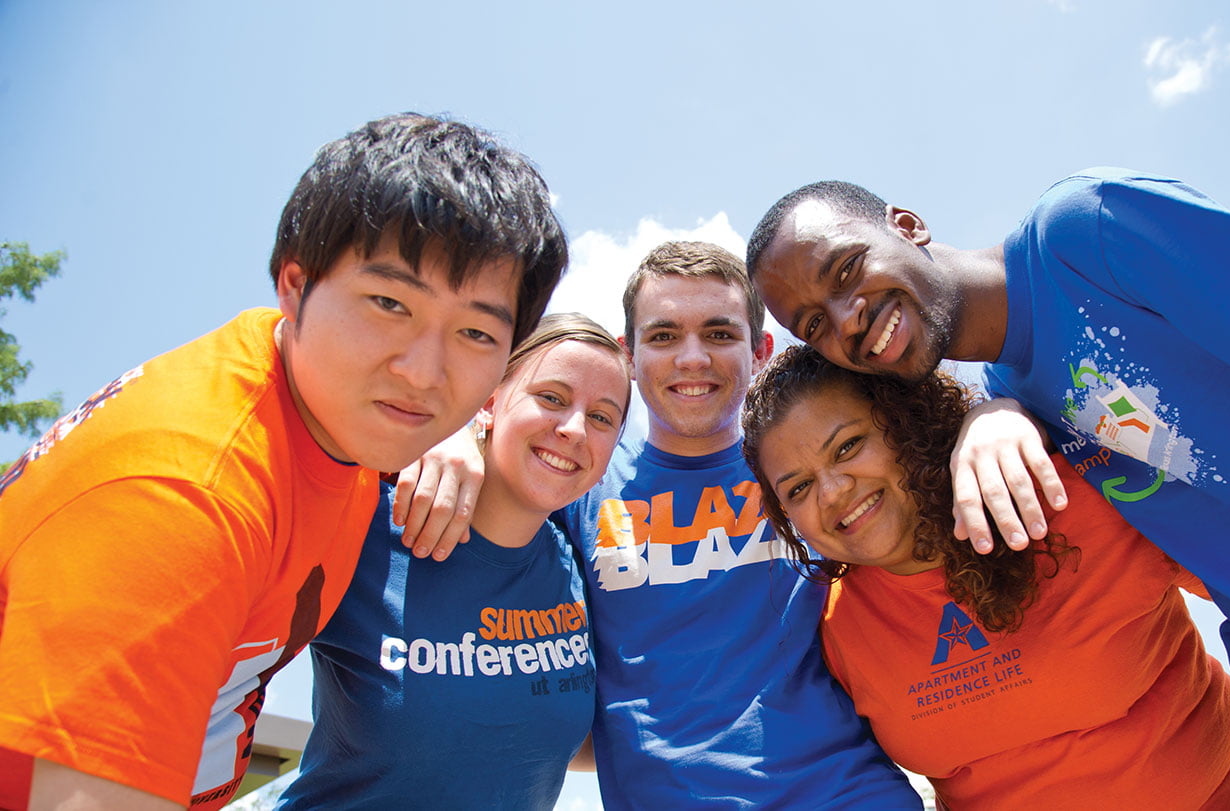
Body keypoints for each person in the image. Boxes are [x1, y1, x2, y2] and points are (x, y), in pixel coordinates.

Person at [745, 170, 1230, 804]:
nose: (846, 319)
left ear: (906, 224)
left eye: (847, 268)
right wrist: (996, 413)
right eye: (812, 324)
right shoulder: (1021, 406)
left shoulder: (1078, 233)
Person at [0, 113, 566, 810]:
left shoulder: (337, 414)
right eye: (389, 303)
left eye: (475, 331)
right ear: (295, 286)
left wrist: (464, 437)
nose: (424, 372)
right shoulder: (183, 496)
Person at [741, 344, 1230, 809]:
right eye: (799, 489)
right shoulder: (832, 626)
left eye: (848, 446)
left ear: (903, 421)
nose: (831, 491)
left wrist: (1004, 407)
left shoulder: (1069, 495)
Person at [551, 242, 920, 807]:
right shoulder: (578, 484)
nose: (692, 358)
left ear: (761, 351)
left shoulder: (810, 475)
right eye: (664, 335)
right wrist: (461, 446)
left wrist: (997, 415)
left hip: (845, 794)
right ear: (629, 355)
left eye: (720, 334)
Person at [277, 313, 627, 809]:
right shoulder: (371, 524)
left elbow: (570, 739)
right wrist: (442, 430)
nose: (573, 428)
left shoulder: (579, 569)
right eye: (551, 398)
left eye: (602, 417)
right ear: (490, 402)